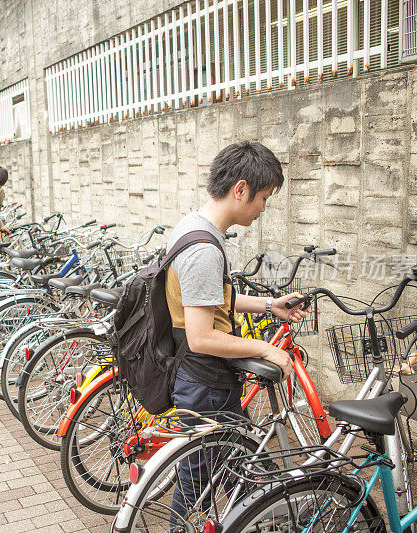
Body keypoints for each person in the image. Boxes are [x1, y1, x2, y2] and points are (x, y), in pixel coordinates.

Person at [165, 141, 307, 520]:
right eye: (263, 197)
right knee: (198, 480)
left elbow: (209, 299)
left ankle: (258, 518)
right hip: (204, 381)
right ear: (240, 189)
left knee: (234, 464)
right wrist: (263, 348)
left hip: (198, 377)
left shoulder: (192, 227)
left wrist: (268, 305)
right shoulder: (205, 249)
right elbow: (202, 335)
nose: (264, 208)